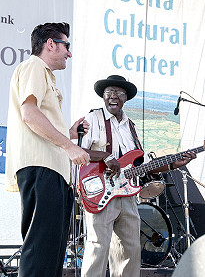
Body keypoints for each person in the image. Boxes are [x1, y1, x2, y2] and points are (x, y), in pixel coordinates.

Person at [78, 75, 196, 277]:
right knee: (98, 248)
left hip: (127, 196)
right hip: (100, 193)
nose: (113, 97)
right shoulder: (92, 119)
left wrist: (175, 163)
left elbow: (143, 166)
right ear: (103, 97)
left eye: (118, 93)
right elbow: (78, 152)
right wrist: (106, 156)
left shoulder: (131, 127)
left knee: (130, 252)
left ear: (125, 98)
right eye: (109, 93)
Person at [5, 22, 90, 277]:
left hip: (52, 171)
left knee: (52, 254)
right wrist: (69, 145)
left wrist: (69, 134)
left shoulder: (45, 76)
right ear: (50, 44)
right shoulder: (34, 66)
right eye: (67, 45)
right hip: (42, 169)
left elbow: (40, 119)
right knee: (41, 252)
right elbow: (29, 114)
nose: (70, 53)